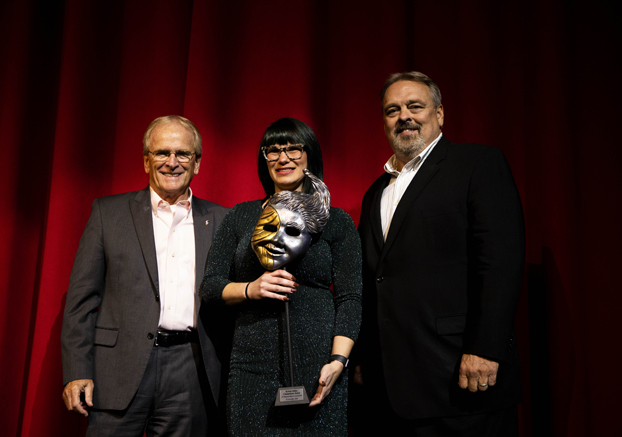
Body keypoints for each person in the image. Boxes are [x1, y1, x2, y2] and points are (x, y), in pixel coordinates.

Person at [355, 72, 525, 435]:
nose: (404, 116)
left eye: (415, 106)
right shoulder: (375, 193)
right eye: (392, 110)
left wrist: (486, 349)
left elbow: (499, 264)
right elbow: (374, 282)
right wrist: (364, 357)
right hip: (391, 392)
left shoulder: (477, 164)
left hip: (462, 381)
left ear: (440, 114)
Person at [61, 115, 228, 436]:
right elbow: (81, 301)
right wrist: (77, 370)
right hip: (117, 367)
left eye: (183, 154)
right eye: (162, 153)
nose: (172, 162)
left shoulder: (222, 220)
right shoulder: (107, 214)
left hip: (190, 370)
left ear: (197, 164)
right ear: (146, 161)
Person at [201, 117, 362, 435]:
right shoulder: (241, 216)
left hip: (319, 368)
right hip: (252, 366)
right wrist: (251, 289)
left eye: (293, 148)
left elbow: (350, 297)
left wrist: (337, 362)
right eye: (272, 150)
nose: (282, 157)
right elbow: (211, 286)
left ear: (310, 155)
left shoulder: (336, 222)